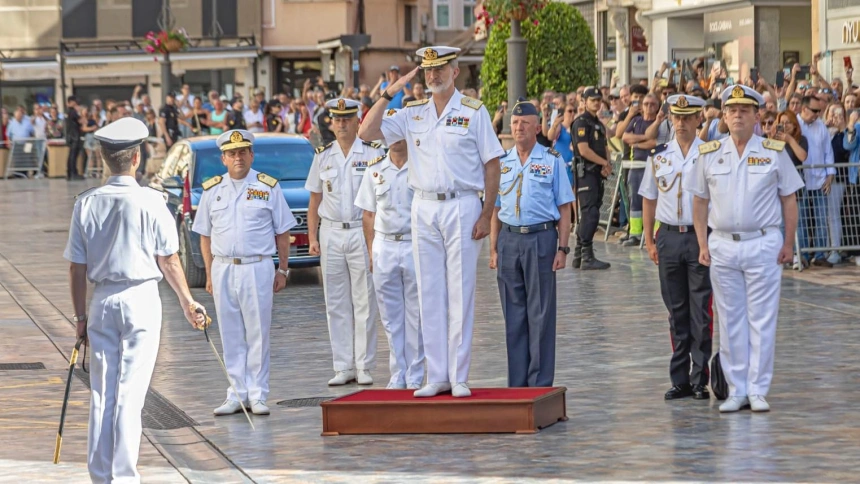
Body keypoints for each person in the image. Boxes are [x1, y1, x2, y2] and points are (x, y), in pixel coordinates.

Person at [63, 118, 208, 482]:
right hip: (142, 298)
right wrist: (188, 301)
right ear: (137, 158)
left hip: (102, 302)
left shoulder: (86, 203)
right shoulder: (151, 201)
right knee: (130, 393)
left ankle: (100, 475)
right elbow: (170, 260)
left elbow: (76, 269)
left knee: (102, 393)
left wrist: (80, 317)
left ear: (103, 157)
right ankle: (124, 476)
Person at [358, 46, 505, 398]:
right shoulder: (413, 114)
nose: (433, 76)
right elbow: (367, 132)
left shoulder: (473, 112)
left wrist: (487, 213)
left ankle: (458, 375)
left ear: (455, 72)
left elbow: (492, 164)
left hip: (462, 204)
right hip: (423, 206)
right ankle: (435, 375)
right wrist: (390, 91)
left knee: (460, 291)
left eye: (440, 69)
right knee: (429, 292)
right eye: (427, 70)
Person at [686, 85, 804, 413]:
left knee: (762, 319)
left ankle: (758, 388)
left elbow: (789, 198)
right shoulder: (710, 153)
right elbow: (699, 200)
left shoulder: (773, 151)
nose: (738, 114)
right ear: (723, 116)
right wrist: (702, 243)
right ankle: (736, 389)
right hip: (723, 243)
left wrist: (789, 244)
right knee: (729, 318)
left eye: (745, 110)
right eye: (732, 110)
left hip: (763, 242)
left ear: (756, 116)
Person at [192, 129, 297, 416]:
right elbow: (204, 235)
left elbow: (283, 230)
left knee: (258, 333)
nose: (238, 158)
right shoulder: (212, 190)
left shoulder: (267, 187)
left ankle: (258, 394)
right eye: (232, 153)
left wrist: (283, 270)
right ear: (223, 158)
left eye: (243, 152)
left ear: (251, 155)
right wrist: (210, 275)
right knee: (230, 333)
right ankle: (236, 393)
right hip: (224, 266)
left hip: (257, 266)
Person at [489, 100, 574, 387]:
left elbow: (565, 208)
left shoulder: (552, 160)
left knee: (540, 315)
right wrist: (493, 248)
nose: (519, 127)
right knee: (513, 316)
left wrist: (563, 248)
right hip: (509, 240)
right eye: (514, 123)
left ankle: (539, 385)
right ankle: (517, 385)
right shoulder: (502, 163)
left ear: (538, 127)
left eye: (525, 123)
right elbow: (496, 210)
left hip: (541, 238)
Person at [639, 94, 713, 401]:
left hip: (698, 237)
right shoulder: (659, 156)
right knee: (676, 311)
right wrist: (648, 238)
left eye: (687, 117)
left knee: (701, 312)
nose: (680, 122)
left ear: (698, 120)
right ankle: (680, 378)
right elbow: (648, 198)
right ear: (670, 119)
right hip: (668, 236)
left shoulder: (709, 154)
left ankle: (700, 379)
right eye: (676, 117)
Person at [306, 98, 384, 386]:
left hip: (360, 231)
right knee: (336, 302)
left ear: (356, 120)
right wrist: (313, 237)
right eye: (336, 119)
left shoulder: (373, 153)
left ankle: (364, 365)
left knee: (364, 300)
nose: (341, 124)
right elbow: (315, 199)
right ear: (331, 122)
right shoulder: (322, 156)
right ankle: (343, 365)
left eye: (347, 119)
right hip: (332, 232)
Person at [354, 109, 425, 390]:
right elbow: (368, 215)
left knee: (416, 315)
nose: (395, 138)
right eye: (389, 132)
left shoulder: (421, 167)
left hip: (413, 243)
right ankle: (398, 373)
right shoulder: (374, 170)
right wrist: (371, 251)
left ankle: (417, 373)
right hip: (384, 244)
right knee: (390, 315)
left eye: (399, 131)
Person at [571, 87, 613, 270]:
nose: (596, 102)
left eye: (598, 100)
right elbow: (583, 150)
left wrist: (607, 164)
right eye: (592, 100)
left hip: (596, 173)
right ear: (584, 101)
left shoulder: (598, 124)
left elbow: (605, 147)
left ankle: (579, 254)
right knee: (590, 213)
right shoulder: (581, 122)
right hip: (586, 172)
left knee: (593, 210)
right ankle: (586, 255)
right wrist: (604, 162)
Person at [65, 96, 83, 180]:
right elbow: (80, 121)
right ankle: (73, 173)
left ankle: (70, 172)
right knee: (73, 155)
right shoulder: (72, 111)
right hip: (74, 135)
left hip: (71, 135)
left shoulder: (68, 112)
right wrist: (80, 112)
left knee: (72, 155)